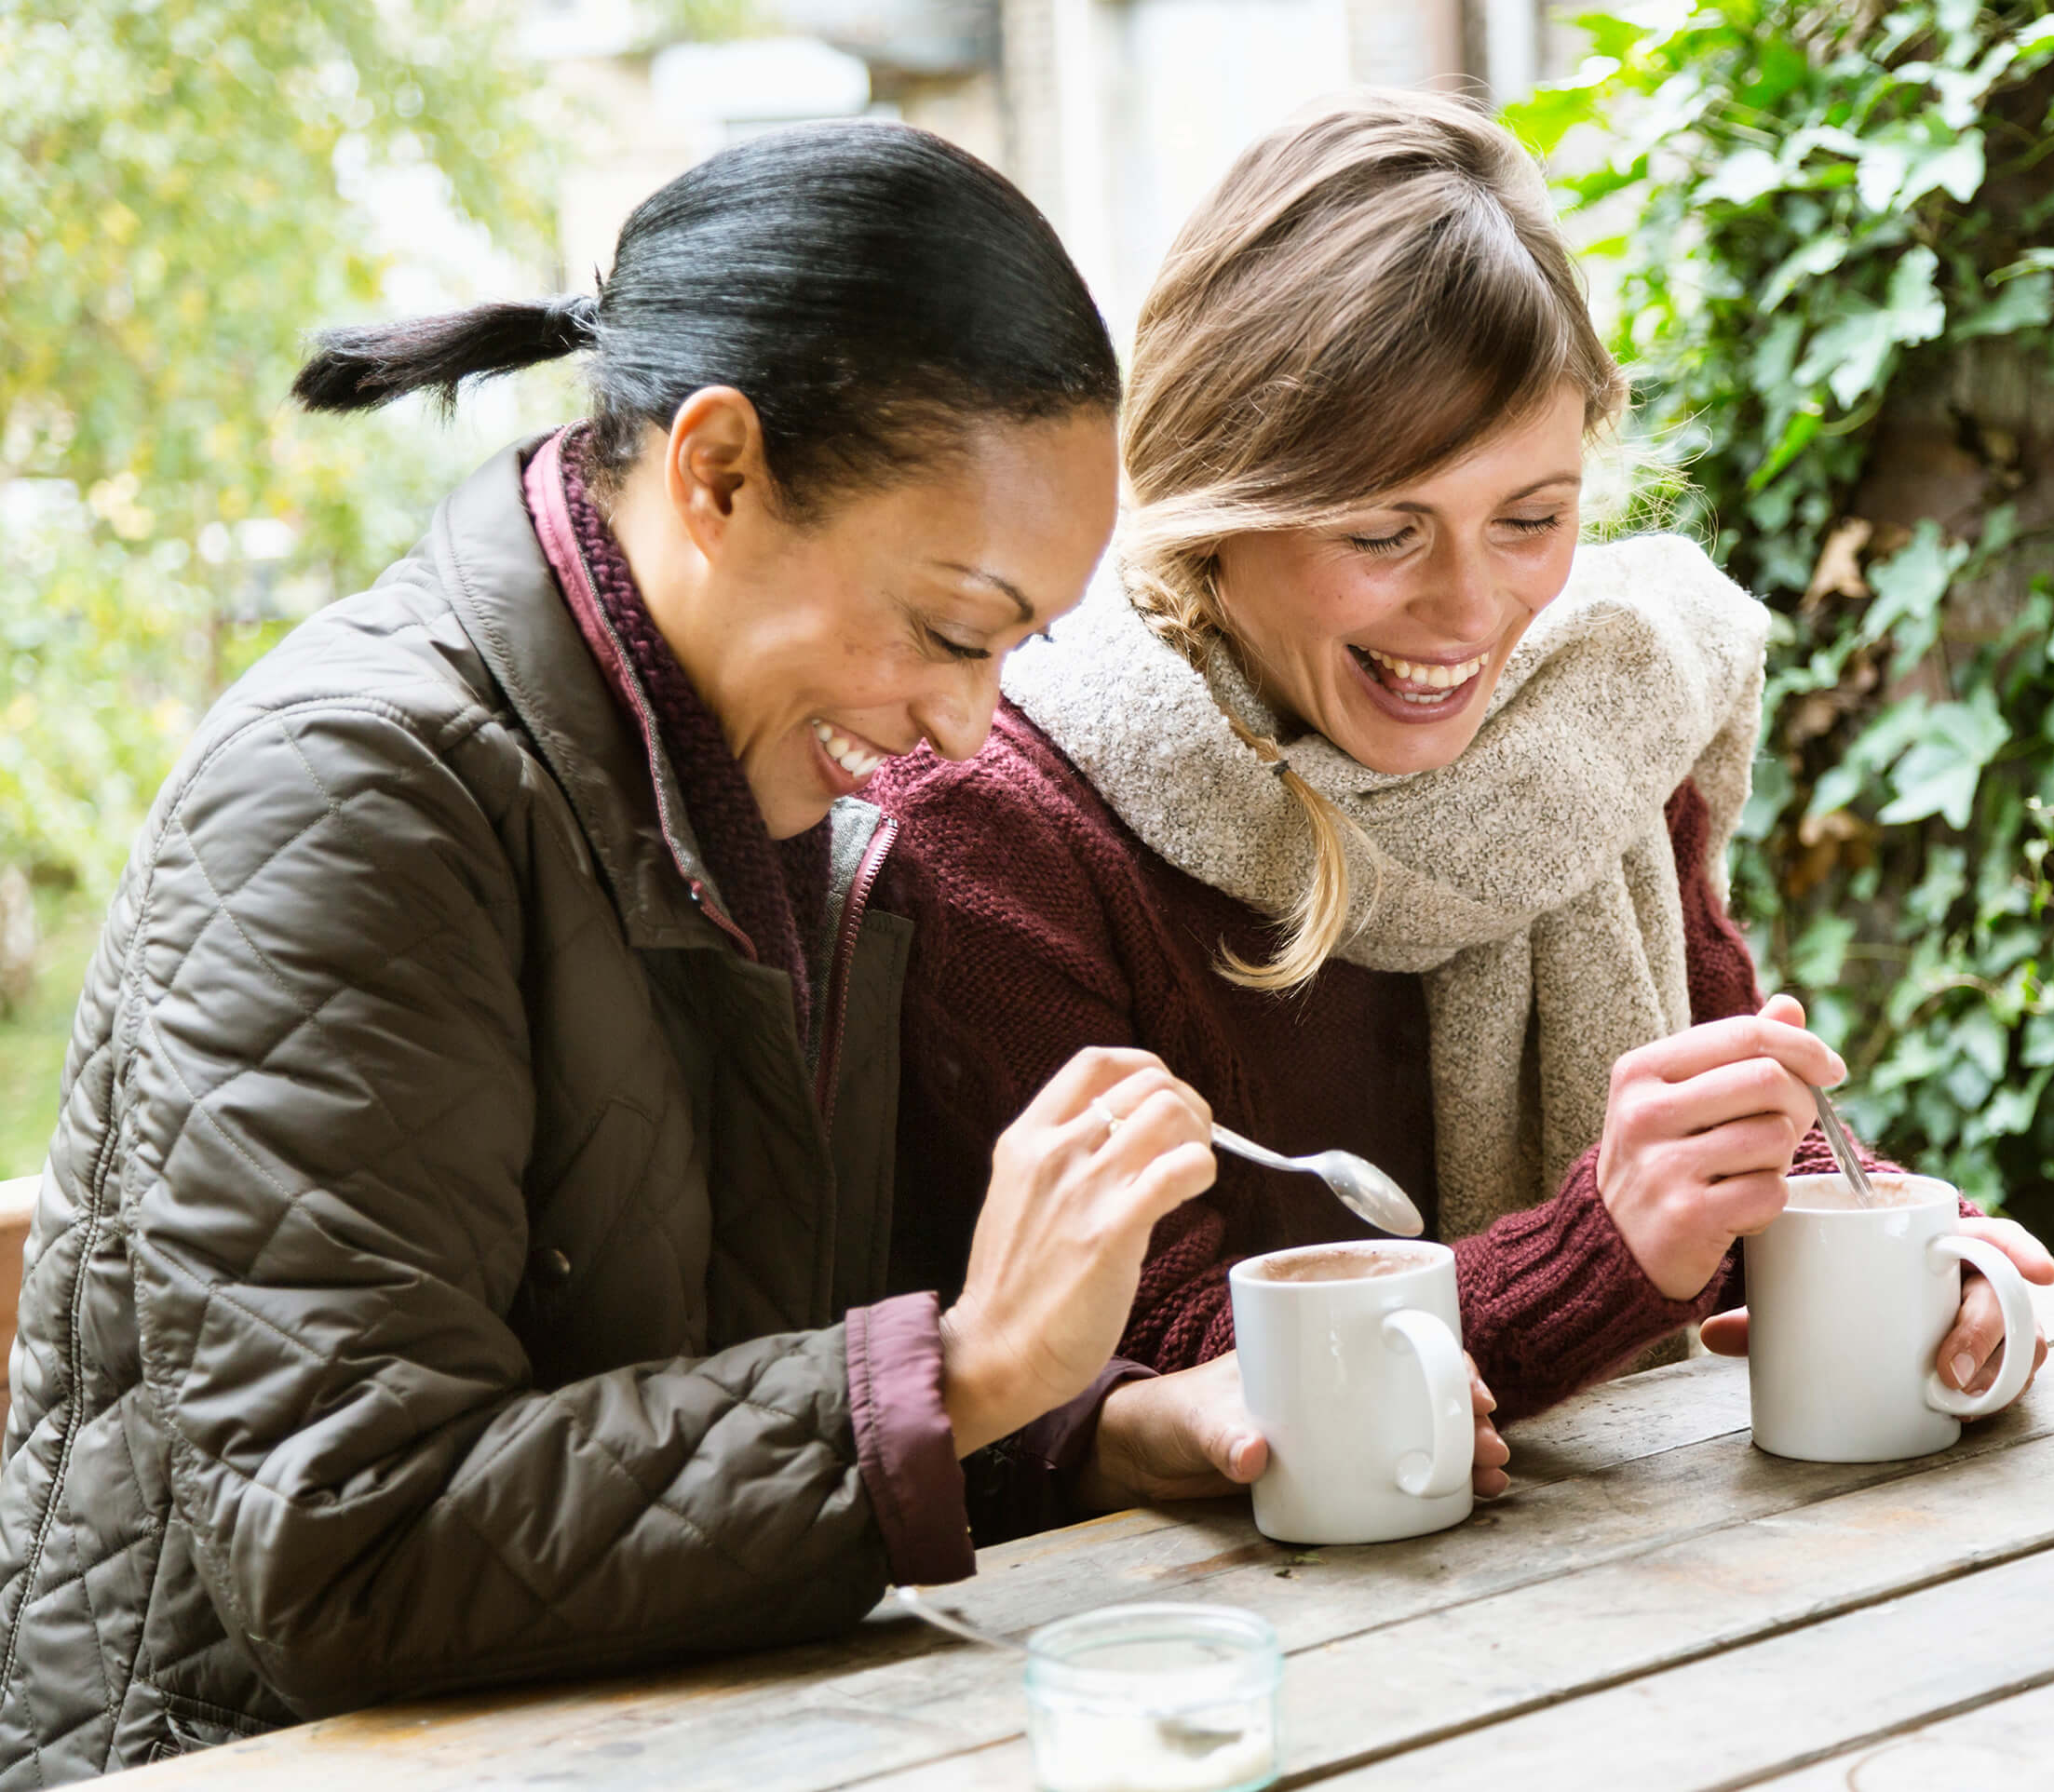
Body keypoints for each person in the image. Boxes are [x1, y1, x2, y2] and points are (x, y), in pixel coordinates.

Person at [0, 123, 1371, 1782]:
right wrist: (961, 1368)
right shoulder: (350, 792)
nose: (968, 721)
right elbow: (344, 1549)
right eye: (951, 628)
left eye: (1015, 648)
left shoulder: (788, 815)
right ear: (716, 473)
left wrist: (1069, 1436)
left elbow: (719, 1418)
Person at [874, 91, 2054, 1439]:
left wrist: (1905, 1250)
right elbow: (1164, 1374)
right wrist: (1603, 1250)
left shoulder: (1600, 712)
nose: (1472, 610)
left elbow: (1726, 1165)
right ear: (1219, 497)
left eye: (1533, 518)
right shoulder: (1004, 821)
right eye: (1384, 533)